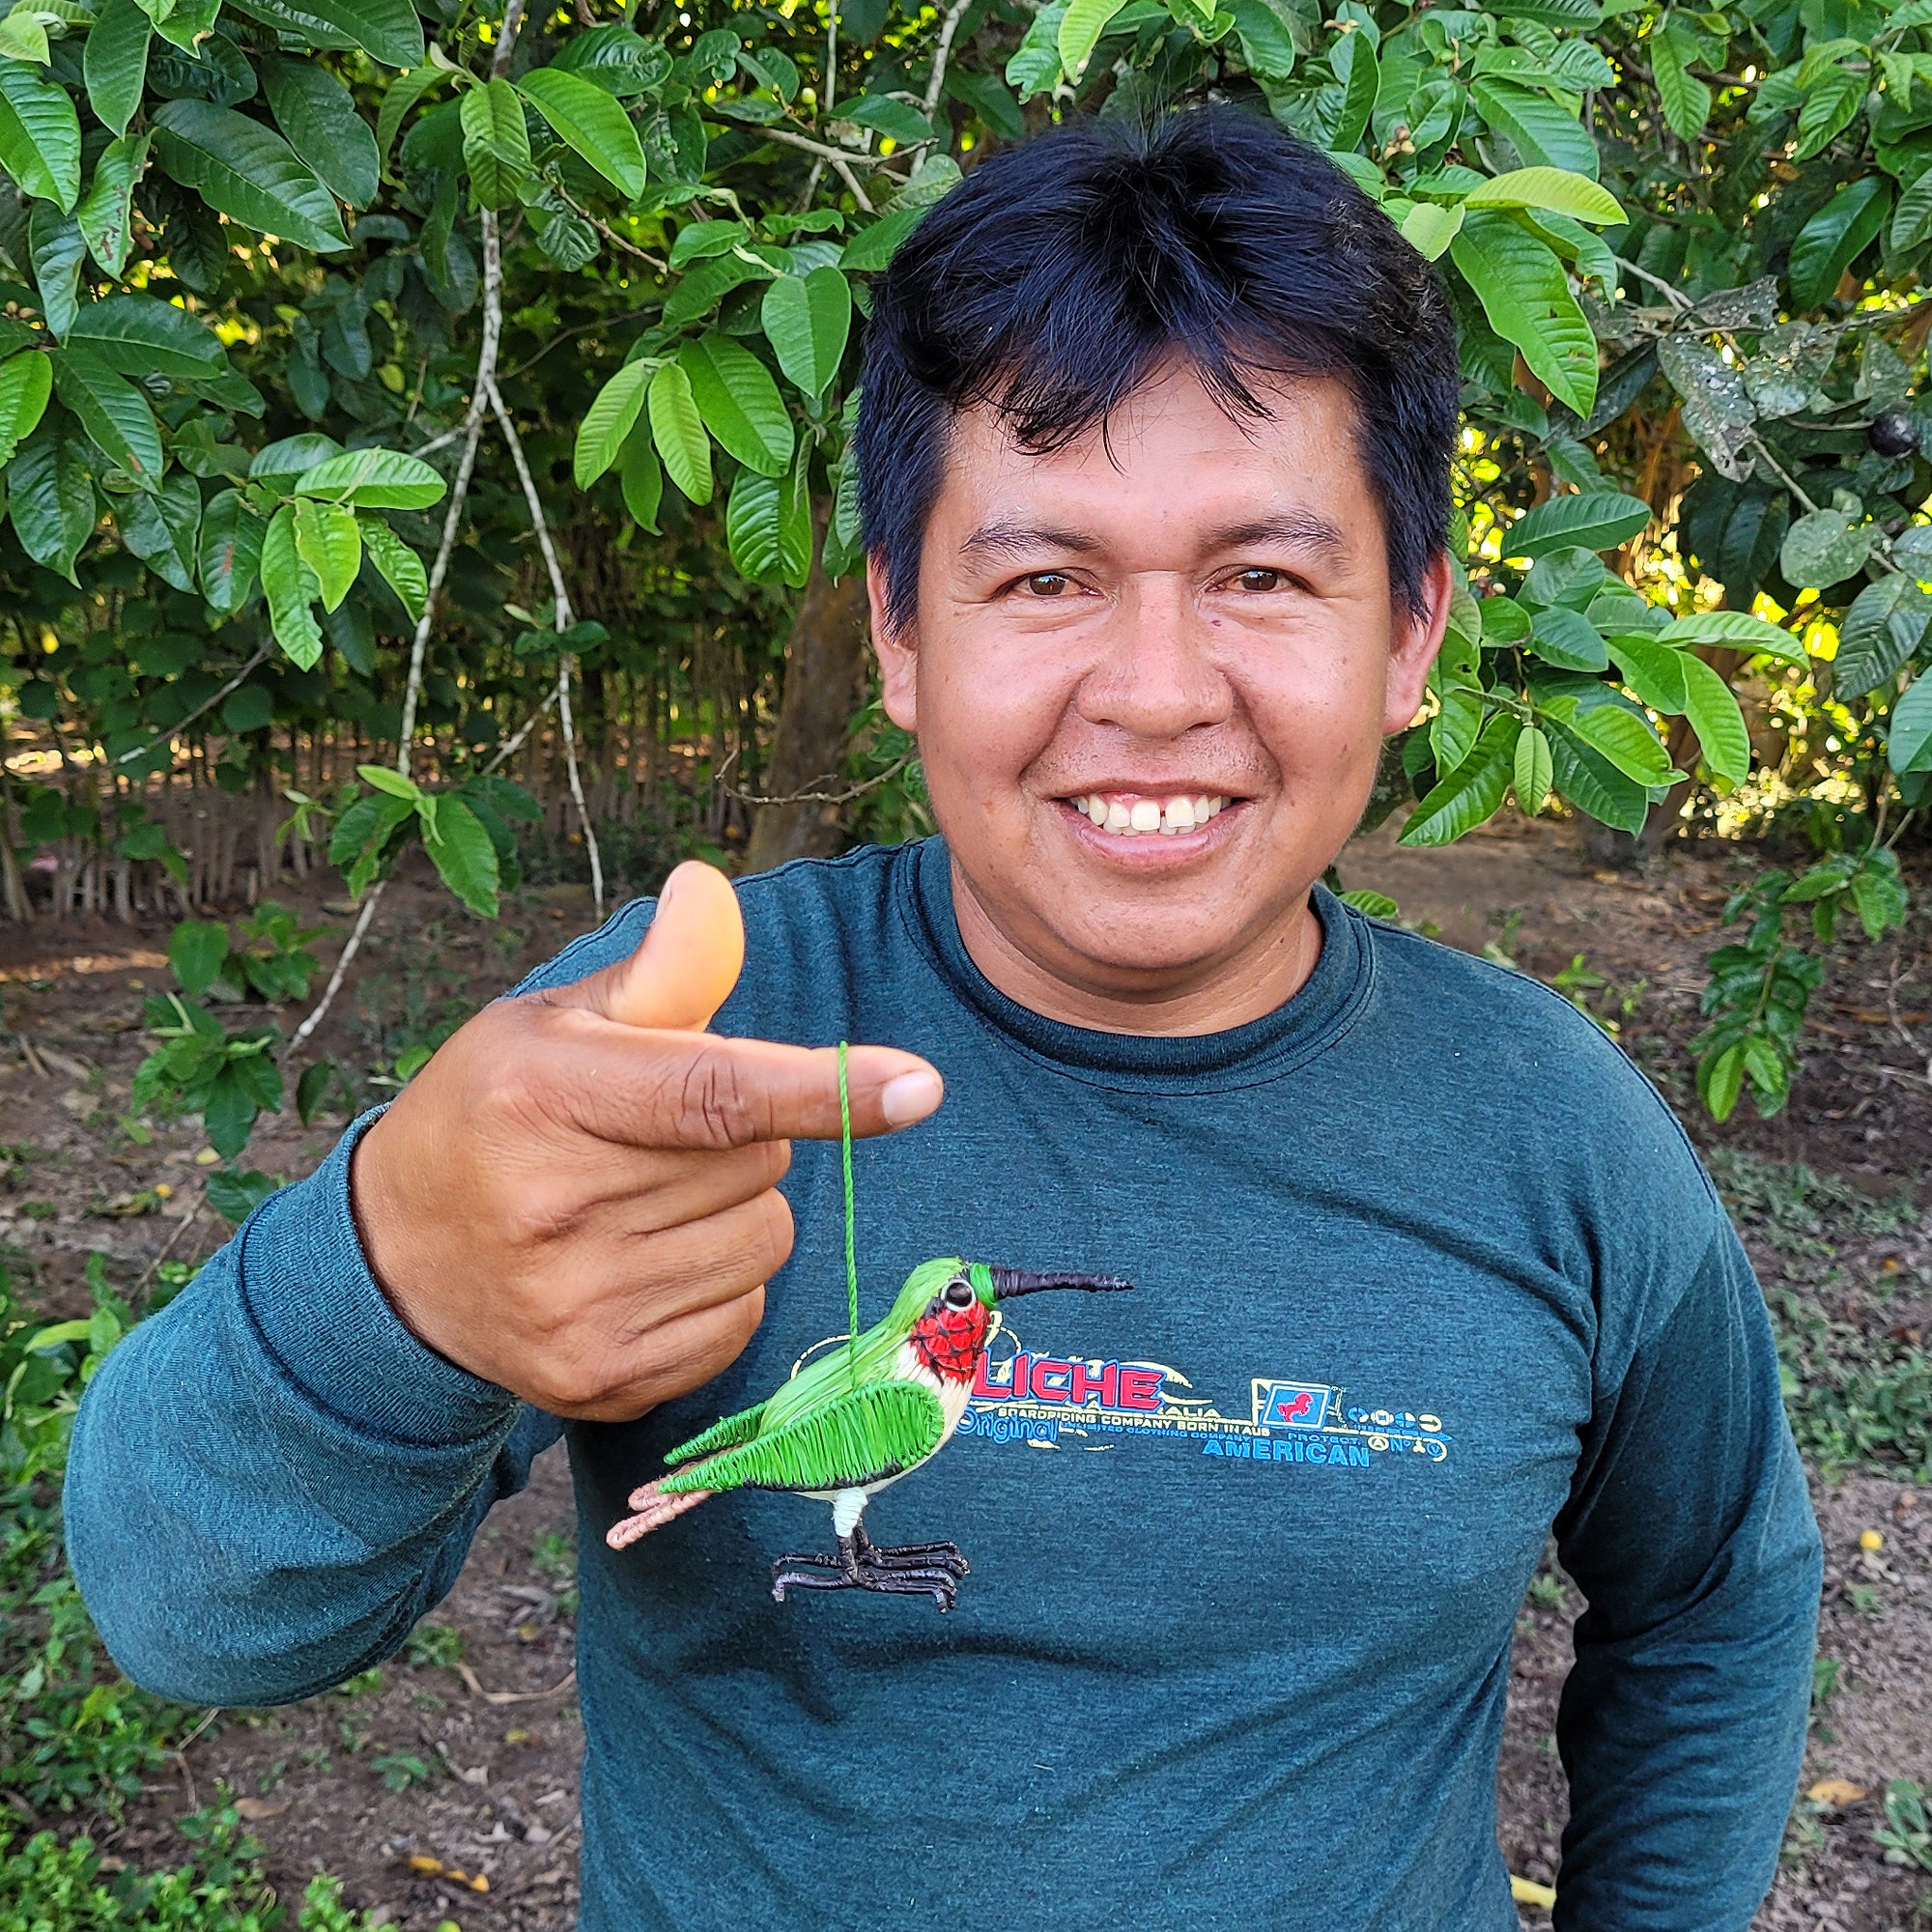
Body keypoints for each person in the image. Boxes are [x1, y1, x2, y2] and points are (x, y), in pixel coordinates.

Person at [66, 110, 1822, 1931]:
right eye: (1046, 579)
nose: (1155, 693)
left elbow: (1718, 1596)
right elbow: (190, 1611)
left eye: (1265, 577)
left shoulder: (1556, 1130)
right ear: (903, 633)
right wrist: (394, 1276)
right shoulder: (691, 1040)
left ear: (1411, 637)